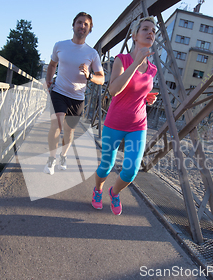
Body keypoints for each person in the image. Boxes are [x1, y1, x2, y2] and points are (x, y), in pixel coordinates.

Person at [92, 17, 158, 215]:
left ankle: (114, 192)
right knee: (106, 166)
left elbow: (139, 89)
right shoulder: (122, 60)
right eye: (145, 29)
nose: (150, 32)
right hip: (115, 122)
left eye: (153, 30)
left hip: (138, 125)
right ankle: (98, 189)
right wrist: (136, 63)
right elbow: (113, 90)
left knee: (130, 170)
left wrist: (148, 98)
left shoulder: (153, 69)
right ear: (134, 35)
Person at [44, 12, 105, 175]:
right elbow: (52, 65)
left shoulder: (92, 54)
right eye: (79, 22)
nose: (82, 26)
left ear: (90, 30)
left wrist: (89, 76)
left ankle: (63, 156)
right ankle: (51, 160)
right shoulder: (60, 45)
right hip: (59, 92)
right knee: (56, 125)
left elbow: (102, 79)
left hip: (77, 98)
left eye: (86, 24)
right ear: (73, 25)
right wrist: (48, 79)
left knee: (69, 131)